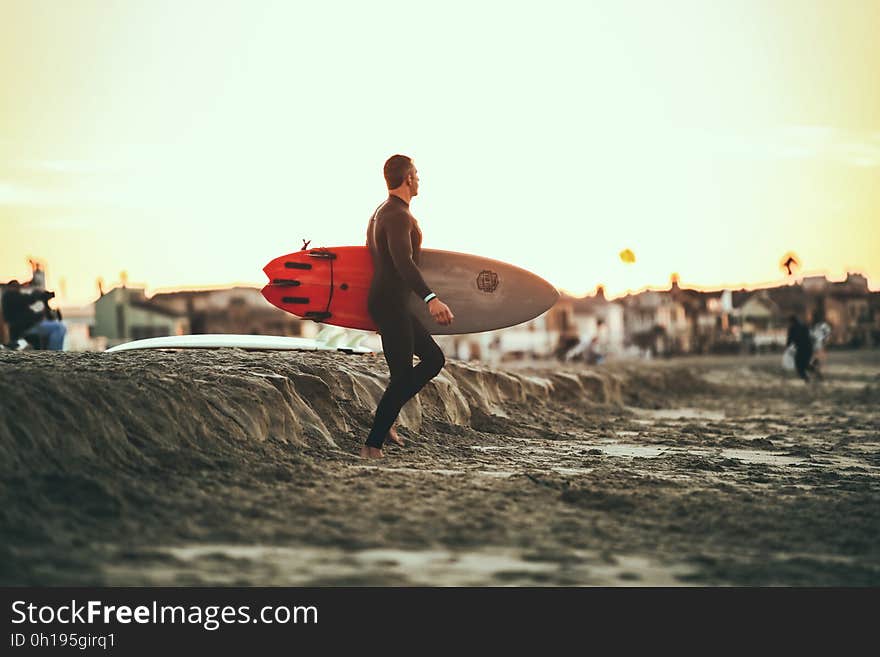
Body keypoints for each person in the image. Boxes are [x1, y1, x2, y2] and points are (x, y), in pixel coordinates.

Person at [361, 155, 454, 459]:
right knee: (425, 365)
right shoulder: (399, 216)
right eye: (416, 174)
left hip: (388, 301)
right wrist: (431, 298)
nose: (419, 179)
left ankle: (385, 421)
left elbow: (374, 258)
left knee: (417, 366)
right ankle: (372, 446)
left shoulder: (380, 213)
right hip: (391, 303)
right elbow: (403, 262)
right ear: (407, 178)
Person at [786, 315, 813, 382]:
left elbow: (790, 339)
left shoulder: (792, 328)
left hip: (801, 349)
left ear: (791, 321)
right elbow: (809, 336)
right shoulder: (804, 326)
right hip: (808, 348)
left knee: (799, 366)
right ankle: (815, 372)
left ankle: (806, 379)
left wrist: (788, 347)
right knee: (805, 364)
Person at [810, 312, 832, 380]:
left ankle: (817, 373)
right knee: (816, 360)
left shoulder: (822, 326)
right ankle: (817, 373)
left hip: (818, 344)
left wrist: (825, 341)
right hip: (816, 345)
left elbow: (827, 334)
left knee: (817, 360)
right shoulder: (816, 326)